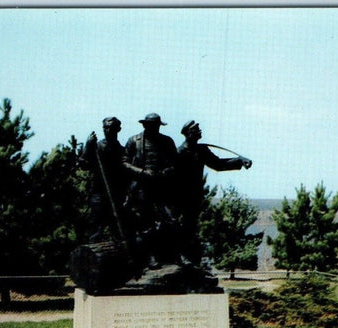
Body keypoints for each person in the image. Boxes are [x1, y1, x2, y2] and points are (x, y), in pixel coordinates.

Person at [175, 120, 252, 265]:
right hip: (181, 196)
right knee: (183, 227)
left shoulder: (202, 150)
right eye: (197, 129)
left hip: (195, 196)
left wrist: (240, 161)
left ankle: (192, 259)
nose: (200, 131)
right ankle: (182, 257)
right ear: (188, 133)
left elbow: (218, 164)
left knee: (191, 227)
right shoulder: (179, 152)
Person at [122, 113, 179, 268]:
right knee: (145, 223)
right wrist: (141, 172)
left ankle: (171, 255)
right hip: (140, 188)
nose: (154, 128)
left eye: (157, 125)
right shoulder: (134, 141)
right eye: (151, 125)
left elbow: (175, 164)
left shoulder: (167, 142)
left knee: (170, 219)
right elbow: (125, 162)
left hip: (161, 187)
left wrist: (162, 173)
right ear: (145, 125)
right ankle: (150, 257)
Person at [83, 116, 127, 246]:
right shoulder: (96, 147)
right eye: (105, 128)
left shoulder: (121, 150)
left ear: (118, 129)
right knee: (96, 228)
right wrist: (88, 145)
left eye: (111, 128)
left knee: (118, 229)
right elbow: (84, 163)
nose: (108, 130)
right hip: (99, 193)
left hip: (116, 193)